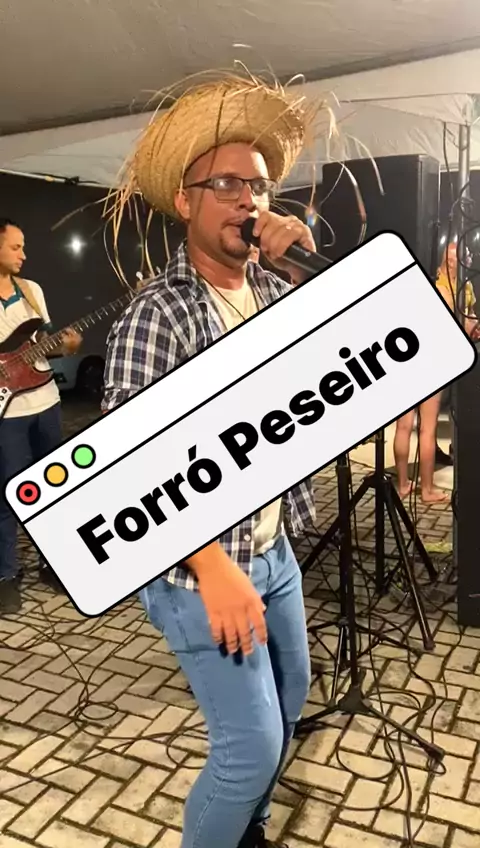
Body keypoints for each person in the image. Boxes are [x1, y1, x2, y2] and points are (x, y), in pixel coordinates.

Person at [102, 74, 324, 848]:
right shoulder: (158, 314)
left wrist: (309, 258)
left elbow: (337, 369)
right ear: (185, 202)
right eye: (224, 184)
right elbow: (127, 471)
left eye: (257, 186)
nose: (247, 201)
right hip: (201, 567)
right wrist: (211, 566)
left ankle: (248, 829)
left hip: (274, 550)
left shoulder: (273, 292)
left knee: (290, 697)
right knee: (250, 747)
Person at [0, 218, 82, 613]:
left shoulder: (32, 291)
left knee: (52, 487)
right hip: (8, 413)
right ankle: (6, 574)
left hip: (46, 402)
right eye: (15, 247)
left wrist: (65, 347)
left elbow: (43, 343)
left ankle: (52, 564)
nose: (24, 254)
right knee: (8, 493)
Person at [393, 241, 479, 503]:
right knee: (427, 429)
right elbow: (466, 328)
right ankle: (427, 490)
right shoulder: (460, 290)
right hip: (431, 364)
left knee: (403, 425)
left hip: (407, 359)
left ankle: (402, 484)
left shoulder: (429, 284)